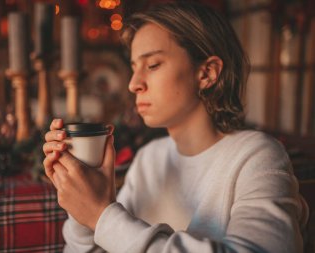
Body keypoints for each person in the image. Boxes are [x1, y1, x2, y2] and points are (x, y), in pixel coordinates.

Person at [43, 2, 309, 252]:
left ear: (206, 73)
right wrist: (83, 210)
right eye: (134, 67)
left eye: (153, 64)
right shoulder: (150, 158)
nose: (133, 84)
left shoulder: (256, 155)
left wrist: (102, 215)